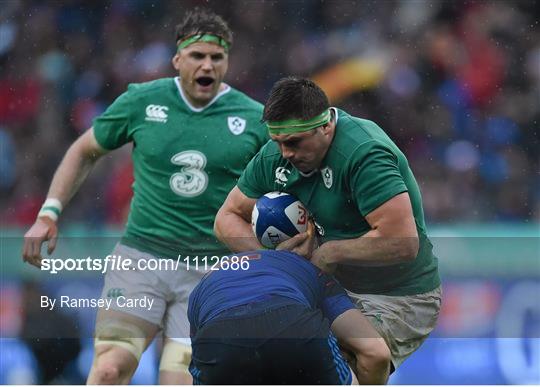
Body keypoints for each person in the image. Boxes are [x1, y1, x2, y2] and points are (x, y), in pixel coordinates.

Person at [22, 8, 268, 385]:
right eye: (197, 56)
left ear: (227, 62)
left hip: (209, 273)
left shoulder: (253, 118)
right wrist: (48, 213)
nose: (207, 65)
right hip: (142, 261)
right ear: (177, 60)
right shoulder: (143, 101)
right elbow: (83, 150)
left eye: (216, 57)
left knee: (179, 380)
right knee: (108, 369)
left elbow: (284, 184)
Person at [214, 76, 442, 378]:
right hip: (329, 287)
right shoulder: (278, 154)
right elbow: (226, 218)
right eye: (278, 142)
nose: (286, 154)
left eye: (294, 142)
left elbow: (403, 243)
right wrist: (279, 264)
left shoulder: (364, 153)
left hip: (398, 296)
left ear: (326, 126)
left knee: (330, 369)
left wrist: (329, 253)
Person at [188, 238, 390, 384]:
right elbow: (375, 353)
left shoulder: (205, 283)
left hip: (220, 339)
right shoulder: (310, 270)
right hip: (292, 327)